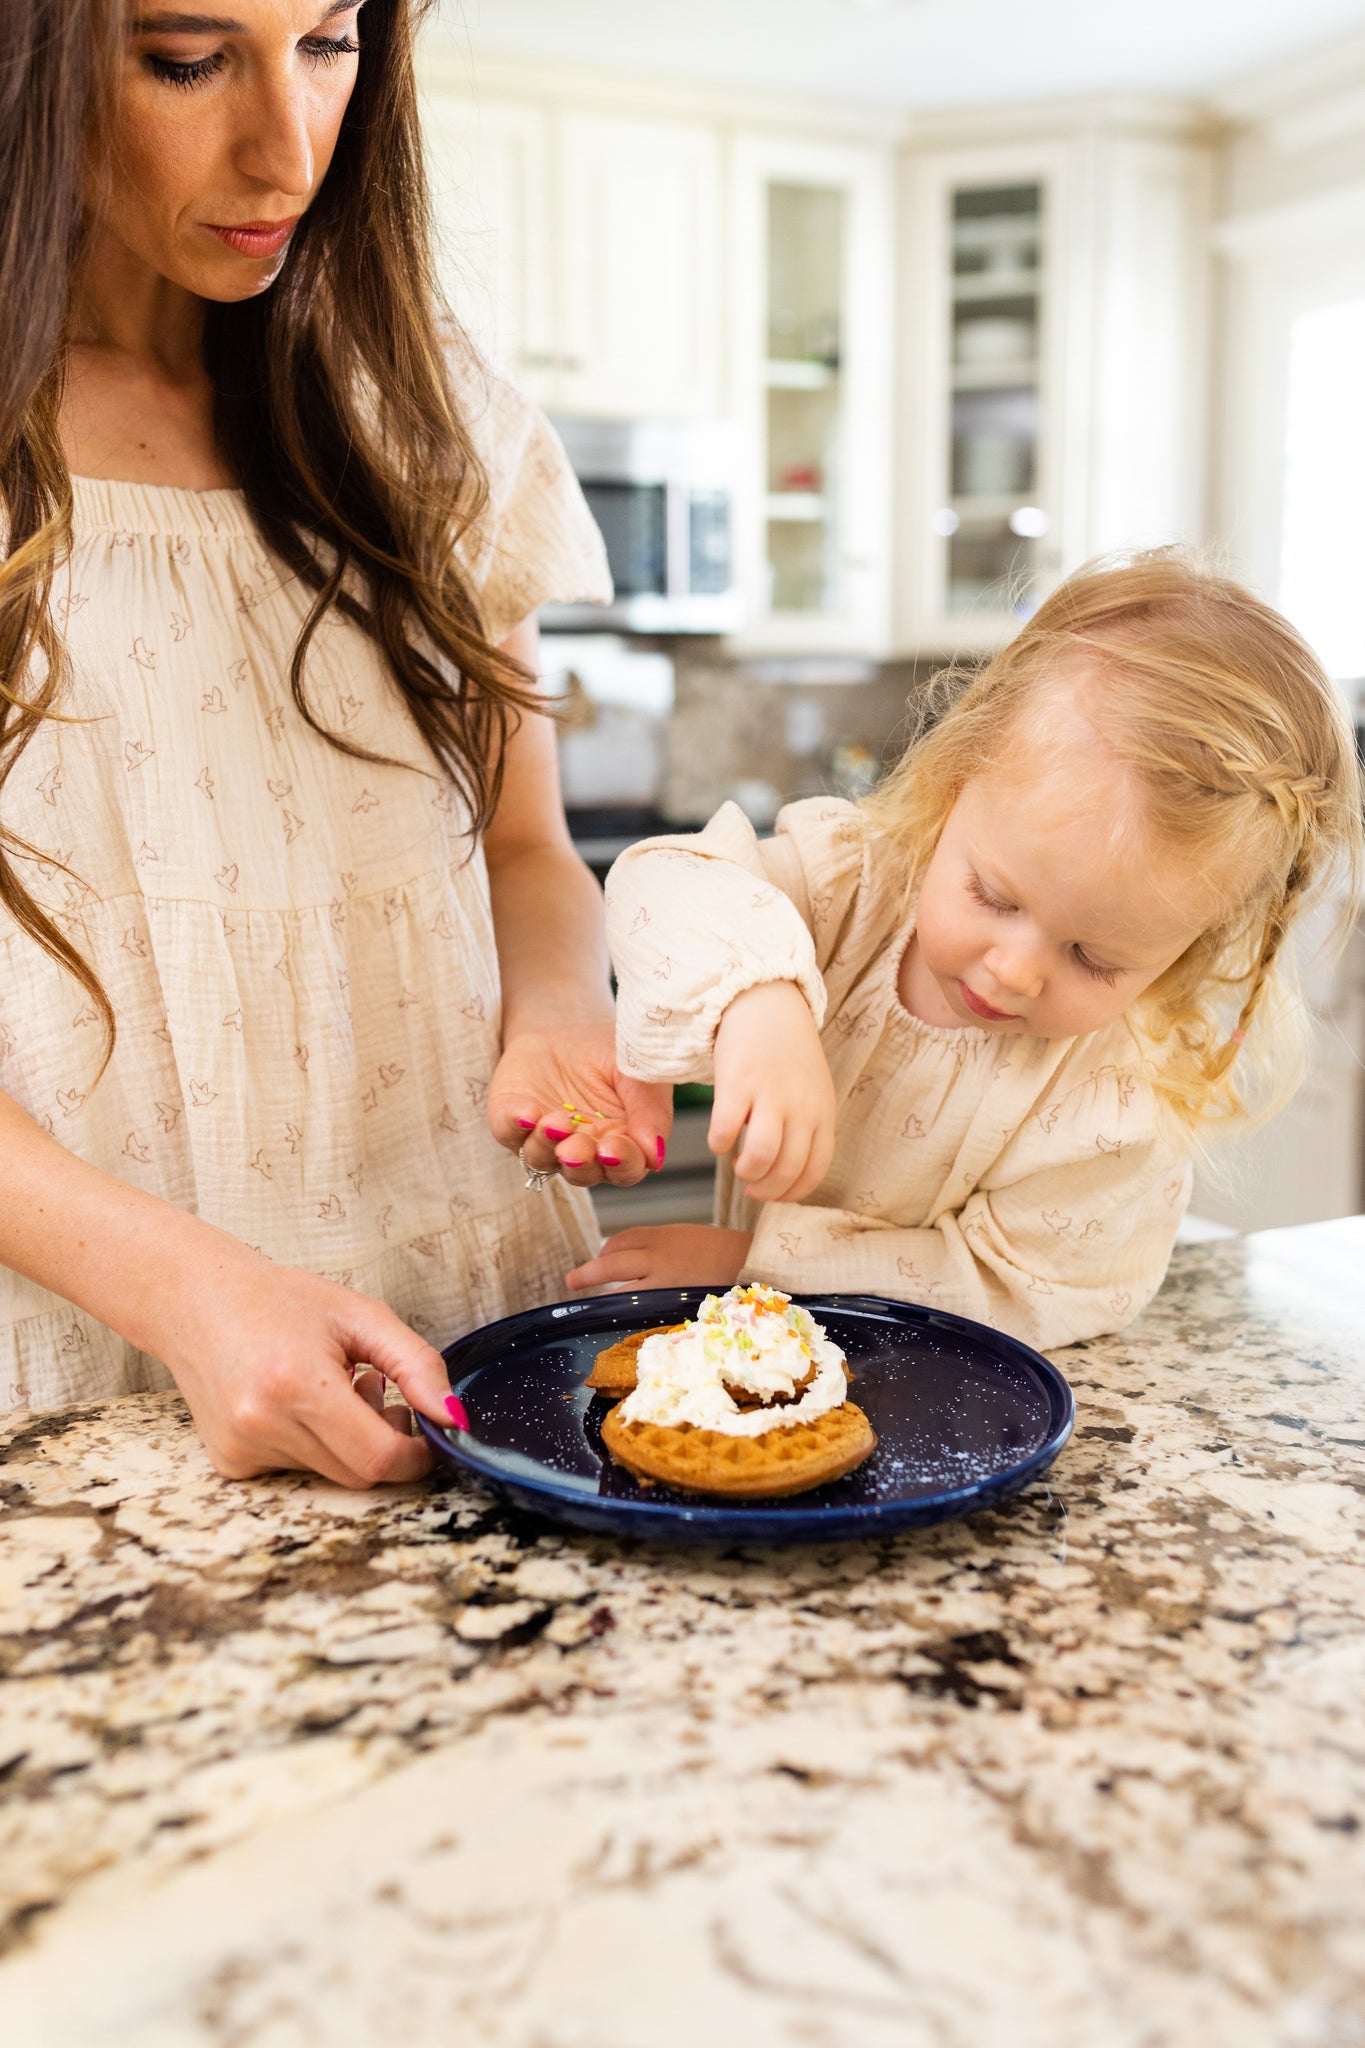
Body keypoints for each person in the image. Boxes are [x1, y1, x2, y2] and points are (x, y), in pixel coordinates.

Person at [0, 0, 668, 1484]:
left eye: (329, 39)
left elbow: (523, 843)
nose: (290, 148)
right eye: (186, 60)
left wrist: (559, 1006)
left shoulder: (422, 405)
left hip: (474, 1314)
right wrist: (190, 1290)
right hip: (106, 1365)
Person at [569, 553, 1364, 1349]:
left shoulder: (1117, 1105)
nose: (1014, 969)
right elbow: (659, 881)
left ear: (1187, 952)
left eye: (1093, 957)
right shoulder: (852, 883)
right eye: (994, 896)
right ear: (953, 784)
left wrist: (753, 1266)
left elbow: (1016, 1293)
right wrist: (759, 1004)